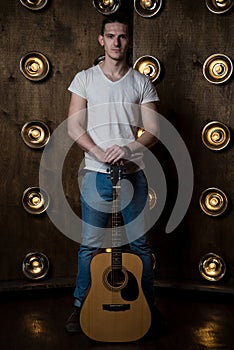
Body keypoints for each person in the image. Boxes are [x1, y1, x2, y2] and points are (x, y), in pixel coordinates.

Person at [65, 13, 164, 336]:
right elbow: (73, 125)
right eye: (110, 36)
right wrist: (97, 153)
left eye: (121, 36)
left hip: (132, 174)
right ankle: (81, 308)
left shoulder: (141, 81)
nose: (116, 42)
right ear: (101, 40)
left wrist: (128, 148)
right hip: (95, 174)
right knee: (91, 246)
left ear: (129, 40)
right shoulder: (85, 79)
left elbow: (153, 130)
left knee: (140, 246)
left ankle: (147, 308)